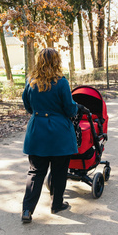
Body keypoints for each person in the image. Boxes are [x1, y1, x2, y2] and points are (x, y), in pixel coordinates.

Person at [21, 48, 78, 223]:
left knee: (35, 172)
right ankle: (57, 204)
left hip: (37, 130)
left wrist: (39, 113)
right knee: (59, 171)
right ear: (56, 61)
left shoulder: (31, 81)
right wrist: (75, 109)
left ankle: (27, 210)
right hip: (59, 133)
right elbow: (69, 108)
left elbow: (27, 104)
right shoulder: (61, 83)